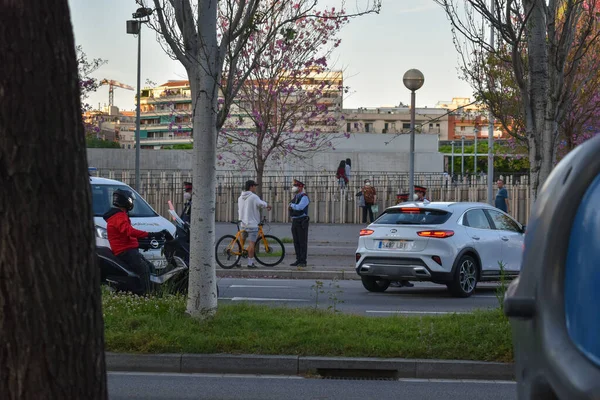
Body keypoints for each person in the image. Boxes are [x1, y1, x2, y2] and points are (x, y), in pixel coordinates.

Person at [103, 189, 169, 295]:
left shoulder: (119, 215)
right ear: (126, 201)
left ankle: (155, 290)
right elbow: (129, 231)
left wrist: (141, 243)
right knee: (144, 269)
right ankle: (147, 294)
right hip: (125, 251)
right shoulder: (119, 217)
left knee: (151, 267)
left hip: (128, 249)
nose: (132, 203)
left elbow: (124, 236)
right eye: (131, 201)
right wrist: (150, 234)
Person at [238, 180, 272, 269]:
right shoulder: (253, 197)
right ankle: (250, 263)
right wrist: (268, 205)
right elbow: (261, 204)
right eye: (255, 186)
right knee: (252, 244)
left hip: (243, 224)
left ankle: (238, 260)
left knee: (241, 243)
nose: (255, 187)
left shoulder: (240, 197)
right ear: (251, 187)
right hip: (252, 225)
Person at [288, 179, 310, 268]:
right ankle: (298, 259)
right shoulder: (296, 196)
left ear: (301, 187)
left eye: (296, 186)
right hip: (295, 220)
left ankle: (303, 260)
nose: (294, 187)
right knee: (296, 241)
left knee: (302, 242)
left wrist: (291, 205)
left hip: (302, 221)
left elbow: (300, 207)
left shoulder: (304, 197)